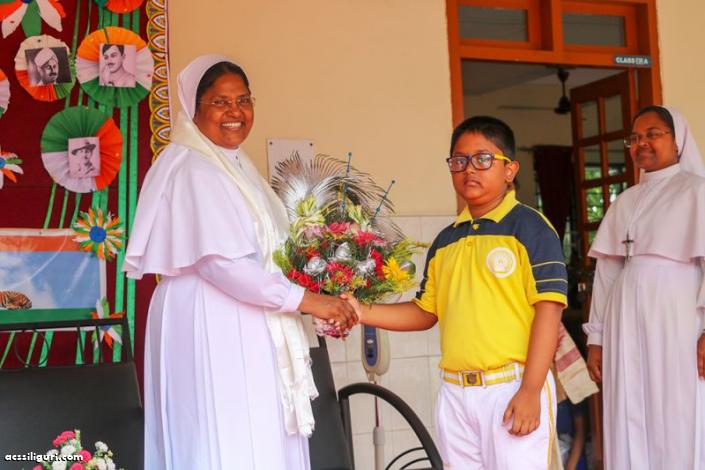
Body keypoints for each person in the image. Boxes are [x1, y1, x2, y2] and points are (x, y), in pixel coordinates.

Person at [123, 55, 357, 470]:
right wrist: (308, 301)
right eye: (220, 102)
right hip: (210, 319)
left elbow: (268, 254)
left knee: (258, 432)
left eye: (243, 100)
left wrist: (319, 295)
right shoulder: (194, 167)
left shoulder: (234, 164)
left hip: (248, 316)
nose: (235, 112)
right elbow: (222, 265)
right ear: (193, 109)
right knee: (225, 434)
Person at [344, 116, 568, 469]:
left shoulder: (530, 228)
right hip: (455, 393)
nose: (469, 169)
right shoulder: (445, 241)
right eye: (459, 161)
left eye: (483, 159)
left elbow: (549, 310)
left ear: (510, 170)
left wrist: (530, 390)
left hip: (511, 387)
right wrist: (358, 310)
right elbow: (425, 312)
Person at [584, 105, 705, 469]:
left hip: (677, 318)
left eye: (653, 134)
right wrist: (596, 338)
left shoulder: (697, 191)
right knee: (629, 404)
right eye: (635, 138)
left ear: (677, 140)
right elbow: (606, 274)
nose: (642, 144)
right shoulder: (624, 201)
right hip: (624, 322)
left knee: (677, 407)